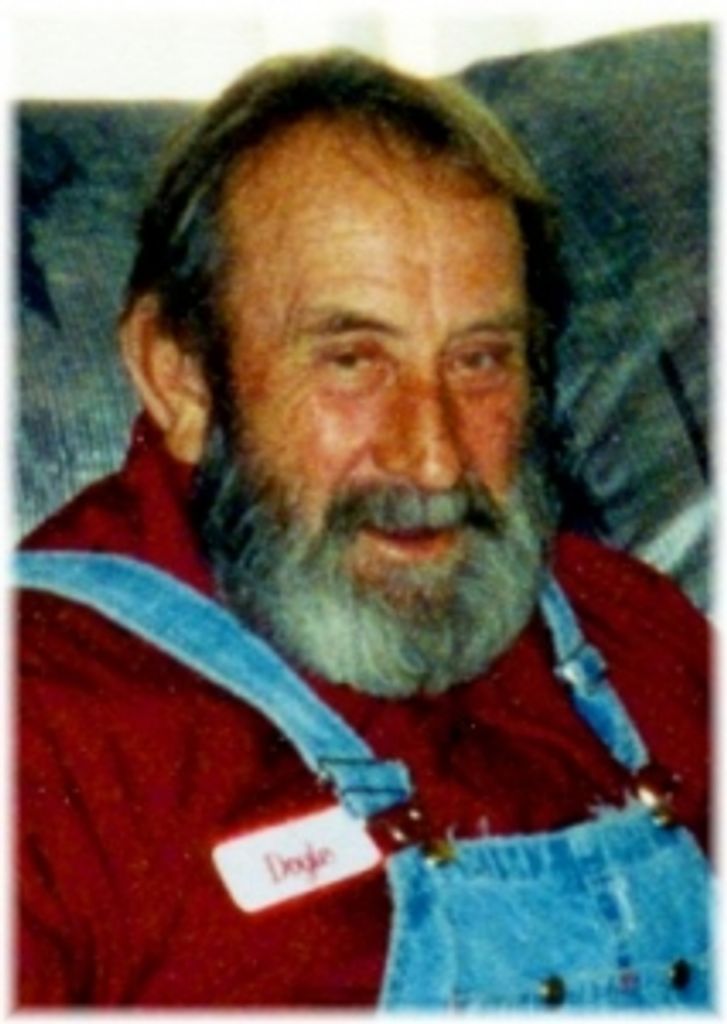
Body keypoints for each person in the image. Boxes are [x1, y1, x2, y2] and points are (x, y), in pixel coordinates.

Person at [16, 50, 711, 1010]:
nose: (434, 460)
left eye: (479, 360)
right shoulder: (45, 729)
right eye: (352, 361)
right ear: (181, 376)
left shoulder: (633, 631)